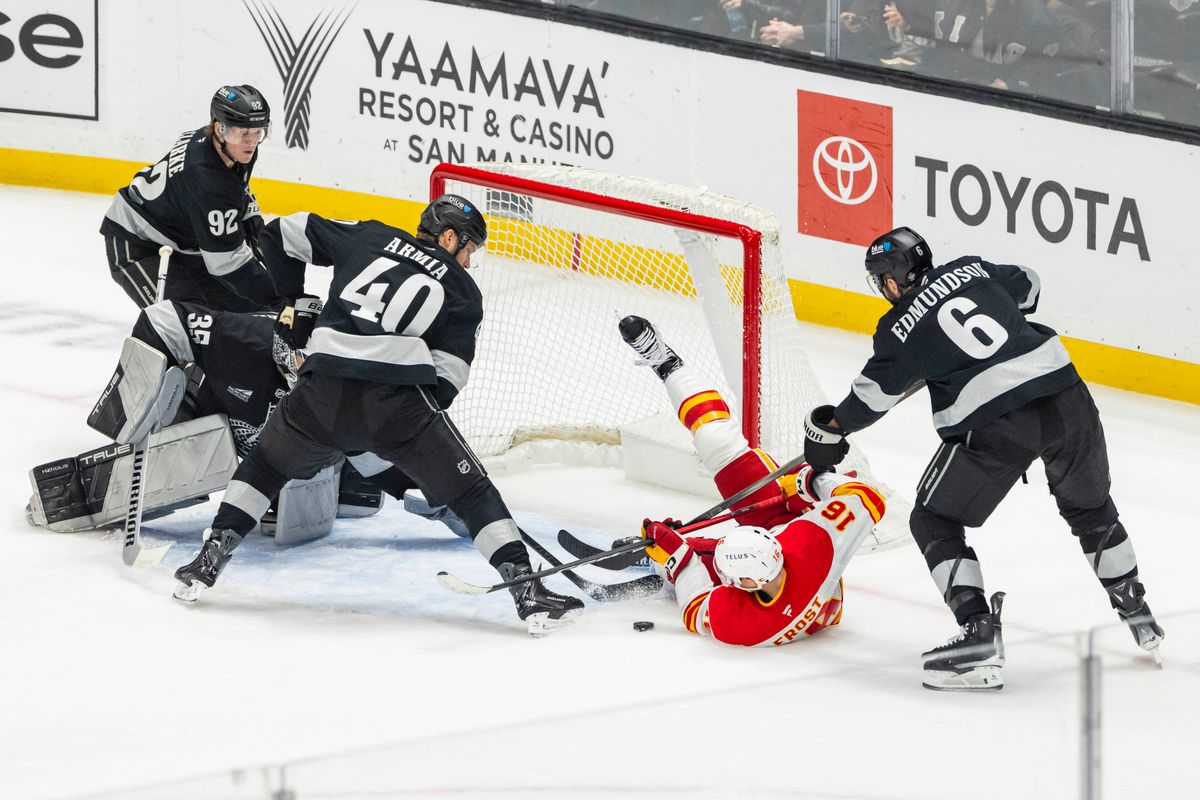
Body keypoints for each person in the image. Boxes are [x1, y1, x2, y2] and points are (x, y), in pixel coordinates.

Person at [171, 195, 584, 636]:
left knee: (266, 466)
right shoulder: (464, 291)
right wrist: (411, 433)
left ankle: (207, 561)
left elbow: (283, 232)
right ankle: (527, 592)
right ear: (448, 237)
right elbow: (449, 378)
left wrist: (291, 301)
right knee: (472, 492)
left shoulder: (368, 234)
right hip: (396, 406)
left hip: (319, 390)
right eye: (468, 249)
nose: (469, 260)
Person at [802, 226, 1164, 690]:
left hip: (999, 425)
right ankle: (1137, 610)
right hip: (1066, 396)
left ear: (891, 280)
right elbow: (1029, 284)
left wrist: (828, 431)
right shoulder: (970, 268)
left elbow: (869, 400)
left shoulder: (897, 328)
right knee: (1090, 510)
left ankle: (977, 636)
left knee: (933, 520)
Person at [620, 315, 887, 647]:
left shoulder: (747, 625)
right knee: (720, 445)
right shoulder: (812, 542)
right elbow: (867, 496)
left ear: (744, 584)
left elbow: (696, 609)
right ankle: (666, 362)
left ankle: (668, 561)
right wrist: (809, 484)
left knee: (713, 453)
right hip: (798, 543)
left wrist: (680, 557)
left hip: (792, 571)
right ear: (776, 547)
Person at [100, 85, 278, 311]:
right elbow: (227, 263)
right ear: (219, 128)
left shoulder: (228, 148)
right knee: (190, 318)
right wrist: (278, 296)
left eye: (258, 132)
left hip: (183, 244)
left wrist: (254, 228)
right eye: (243, 133)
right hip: (137, 243)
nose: (251, 142)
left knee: (244, 308)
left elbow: (237, 190)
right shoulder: (206, 179)